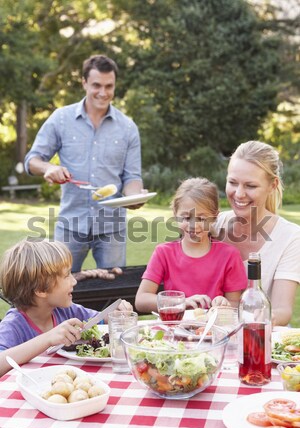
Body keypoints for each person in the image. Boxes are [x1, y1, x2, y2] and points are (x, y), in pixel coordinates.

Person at [24, 54, 144, 274]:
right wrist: (49, 168)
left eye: (109, 86)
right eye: (96, 85)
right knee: (58, 289)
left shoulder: (128, 128)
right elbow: (32, 161)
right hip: (70, 225)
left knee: (114, 292)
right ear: (84, 83)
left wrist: (134, 197)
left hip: (111, 228)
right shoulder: (61, 119)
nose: (103, 92)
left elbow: (132, 177)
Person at [0, 239, 132, 378]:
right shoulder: (13, 325)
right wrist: (47, 339)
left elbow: (99, 321)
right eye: (66, 275)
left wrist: (116, 314)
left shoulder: (66, 311)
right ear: (40, 289)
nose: (74, 281)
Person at [214, 140, 300, 326]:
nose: (239, 194)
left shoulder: (291, 237)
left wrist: (257, 320)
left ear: (272, 185)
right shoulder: (213, 226)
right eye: (233, 183)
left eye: (250, 186)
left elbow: (282, 310)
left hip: (259, 337)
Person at [135, 177, 248, 313]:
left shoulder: (229, 255)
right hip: (174, 329)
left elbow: (235, 302)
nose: (193, 225)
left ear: (214, 217)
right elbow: (141, 300)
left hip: (212, 330)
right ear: (175, 214)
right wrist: (180, 302)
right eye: (186, 218)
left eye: (201, 218)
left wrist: (224, 303)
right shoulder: (163, 253)